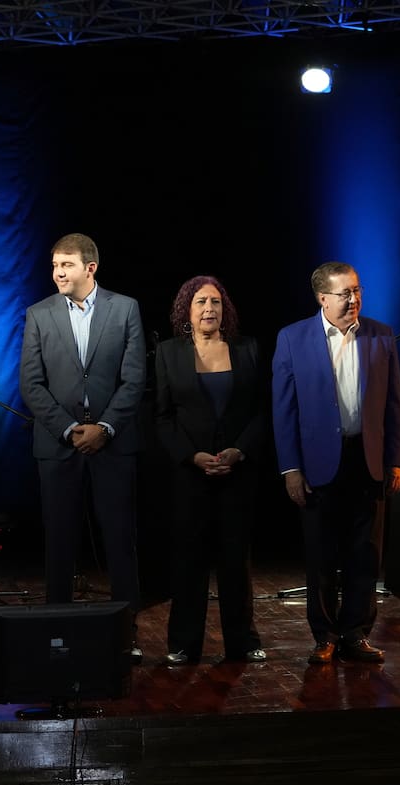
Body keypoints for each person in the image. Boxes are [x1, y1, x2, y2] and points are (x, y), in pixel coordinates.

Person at [19, 233, 146, 661]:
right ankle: (58, 635)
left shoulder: (125, 308)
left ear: (90, 268)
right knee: (59, 542)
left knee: (119, 542)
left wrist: (105, 427)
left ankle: (126, 636)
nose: (58, 272)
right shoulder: (38, 314)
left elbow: (134, 380)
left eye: (67, 265)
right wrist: (71, 428)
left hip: (113, 445)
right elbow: (31, 384)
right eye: (55, 265)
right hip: (59, 446)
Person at [272, 261, 400, 664]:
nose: (353, 299)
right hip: (318, 464)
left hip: (367, 460)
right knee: (322, 554)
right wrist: (290, 468)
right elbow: (284, 410)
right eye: (344, 293)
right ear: (322, 298)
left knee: (366, 553)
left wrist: (396, 459)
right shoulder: (293, 338)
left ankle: (356, 633)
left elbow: (395, 406)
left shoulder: (381, 336)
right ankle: (325, 636)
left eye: (357, 290)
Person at [155, 276, 266, 664]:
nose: (209, 309)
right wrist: (192, 456)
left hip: (237, 472)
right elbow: (163, 417)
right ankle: (184, 643)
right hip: (190, 474)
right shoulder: (168, 353)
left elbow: (259, 411)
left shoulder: (248, 348)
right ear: (187, 309)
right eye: (201, 301)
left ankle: (243, 641)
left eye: (216, 302)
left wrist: (240, 450)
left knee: (236, 559)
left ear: (225, 309)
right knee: (189, 560)